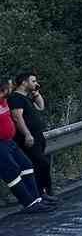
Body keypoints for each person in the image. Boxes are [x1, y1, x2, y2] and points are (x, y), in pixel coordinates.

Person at [9, 72, 53, 204]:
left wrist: (36, 93)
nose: (36, 84)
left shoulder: (26, 97)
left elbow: (41, 106)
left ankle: (41, 193)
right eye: (33, 81)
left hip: (37, 136)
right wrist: (27, 134)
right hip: (27, 138)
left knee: (39, 165)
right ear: (24, 82)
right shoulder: (16, 98)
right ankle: (43, 192)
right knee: (41, 163)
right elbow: (17, 117)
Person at [0, 81, 43, 212]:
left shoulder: (4, 102)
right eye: (9, 86)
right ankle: (28, 204)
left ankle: (36, 199)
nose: (12, 88)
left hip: (9, 141)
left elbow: (40, 107)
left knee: (26, 165)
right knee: (11, 172)